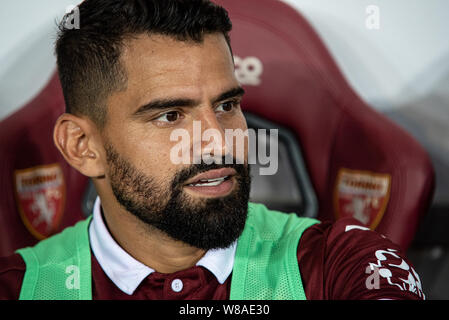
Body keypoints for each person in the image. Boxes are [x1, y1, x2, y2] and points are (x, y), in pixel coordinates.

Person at [0, 0, 424, 300]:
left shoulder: (339, 262)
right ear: (82, 146)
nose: (221, 141)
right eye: (170, 115)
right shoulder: (17, 287)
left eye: (226, 105)